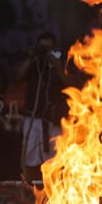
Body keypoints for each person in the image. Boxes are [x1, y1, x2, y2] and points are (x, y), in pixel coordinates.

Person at [18, 31, 68, 181]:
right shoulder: (34, 63)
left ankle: (54, 191)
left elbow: (70, 83)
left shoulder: (61, 62)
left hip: (52, 118)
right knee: (30, 156)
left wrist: (56, 64)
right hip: (33, 117)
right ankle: (31, 189)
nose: (45, 51)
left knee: (55, 158)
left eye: (48, 48)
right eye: (43, 48)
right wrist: (32, 58)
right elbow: (18, 78)